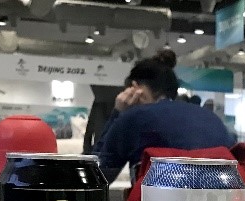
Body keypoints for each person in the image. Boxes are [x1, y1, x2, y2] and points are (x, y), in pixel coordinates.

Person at [93, 49, 234, 182]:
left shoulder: (134, 117)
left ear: (135, 88)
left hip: (160, 200)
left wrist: (118, 112)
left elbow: (97, 176)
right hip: (224, 198)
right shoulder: (211, 118)